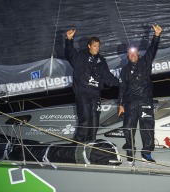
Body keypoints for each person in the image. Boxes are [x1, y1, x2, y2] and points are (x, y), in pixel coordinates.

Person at [118, 24, 162, 162]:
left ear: (138, 53)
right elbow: (122, 88)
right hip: (130, 103)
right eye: (130, 53)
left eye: (134, 53)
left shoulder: (145, 62)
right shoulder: (124, 70)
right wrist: (120, 104)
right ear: (127, 54)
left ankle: (146, 153)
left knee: (147, 128)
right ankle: (130, 152)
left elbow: (152, 49)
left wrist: (156, 36)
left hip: (145, 101)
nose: (132, 55)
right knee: (128, 128)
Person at [65, 29, 119, 142]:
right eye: (95, 46)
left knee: (95, 121)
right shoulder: (80, 57)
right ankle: (79, 145)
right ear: (89, 46)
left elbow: (108, 77)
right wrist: (69, 40)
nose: (97, 48)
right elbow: (70, 54)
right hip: (83, 93)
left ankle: (91, 144)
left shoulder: (101, 60)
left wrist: (121, 82)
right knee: (84, 120)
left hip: (95, 94)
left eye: (98, 46)